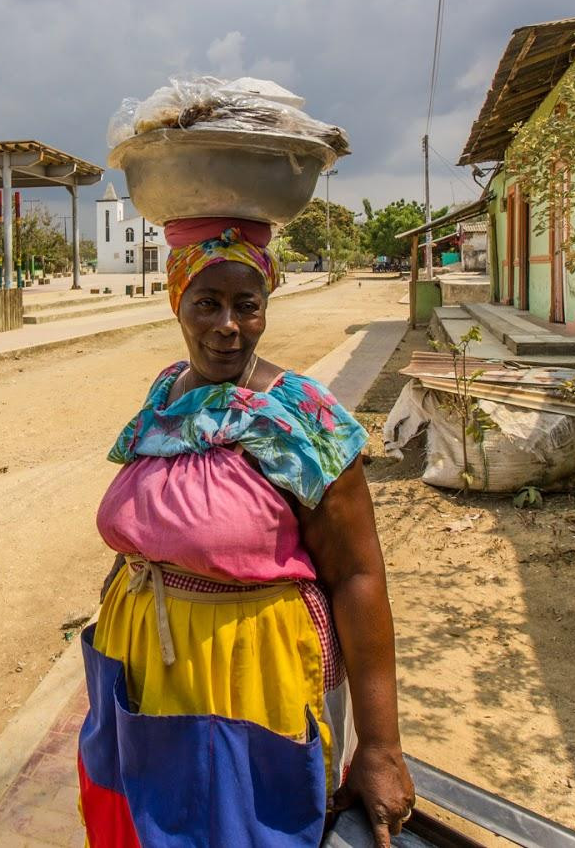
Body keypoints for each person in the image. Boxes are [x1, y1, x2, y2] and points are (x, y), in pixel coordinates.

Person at [77, 217, 415, 847]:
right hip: (142, 664)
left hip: (252, 674)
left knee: (246, 828)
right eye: (207, 303)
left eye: (246, 305)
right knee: (144, 822)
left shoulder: (305, 417)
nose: (227, 325)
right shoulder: (166, 392)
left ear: (265, 310)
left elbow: (359, 576)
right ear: (178, 303)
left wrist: (382, 747)